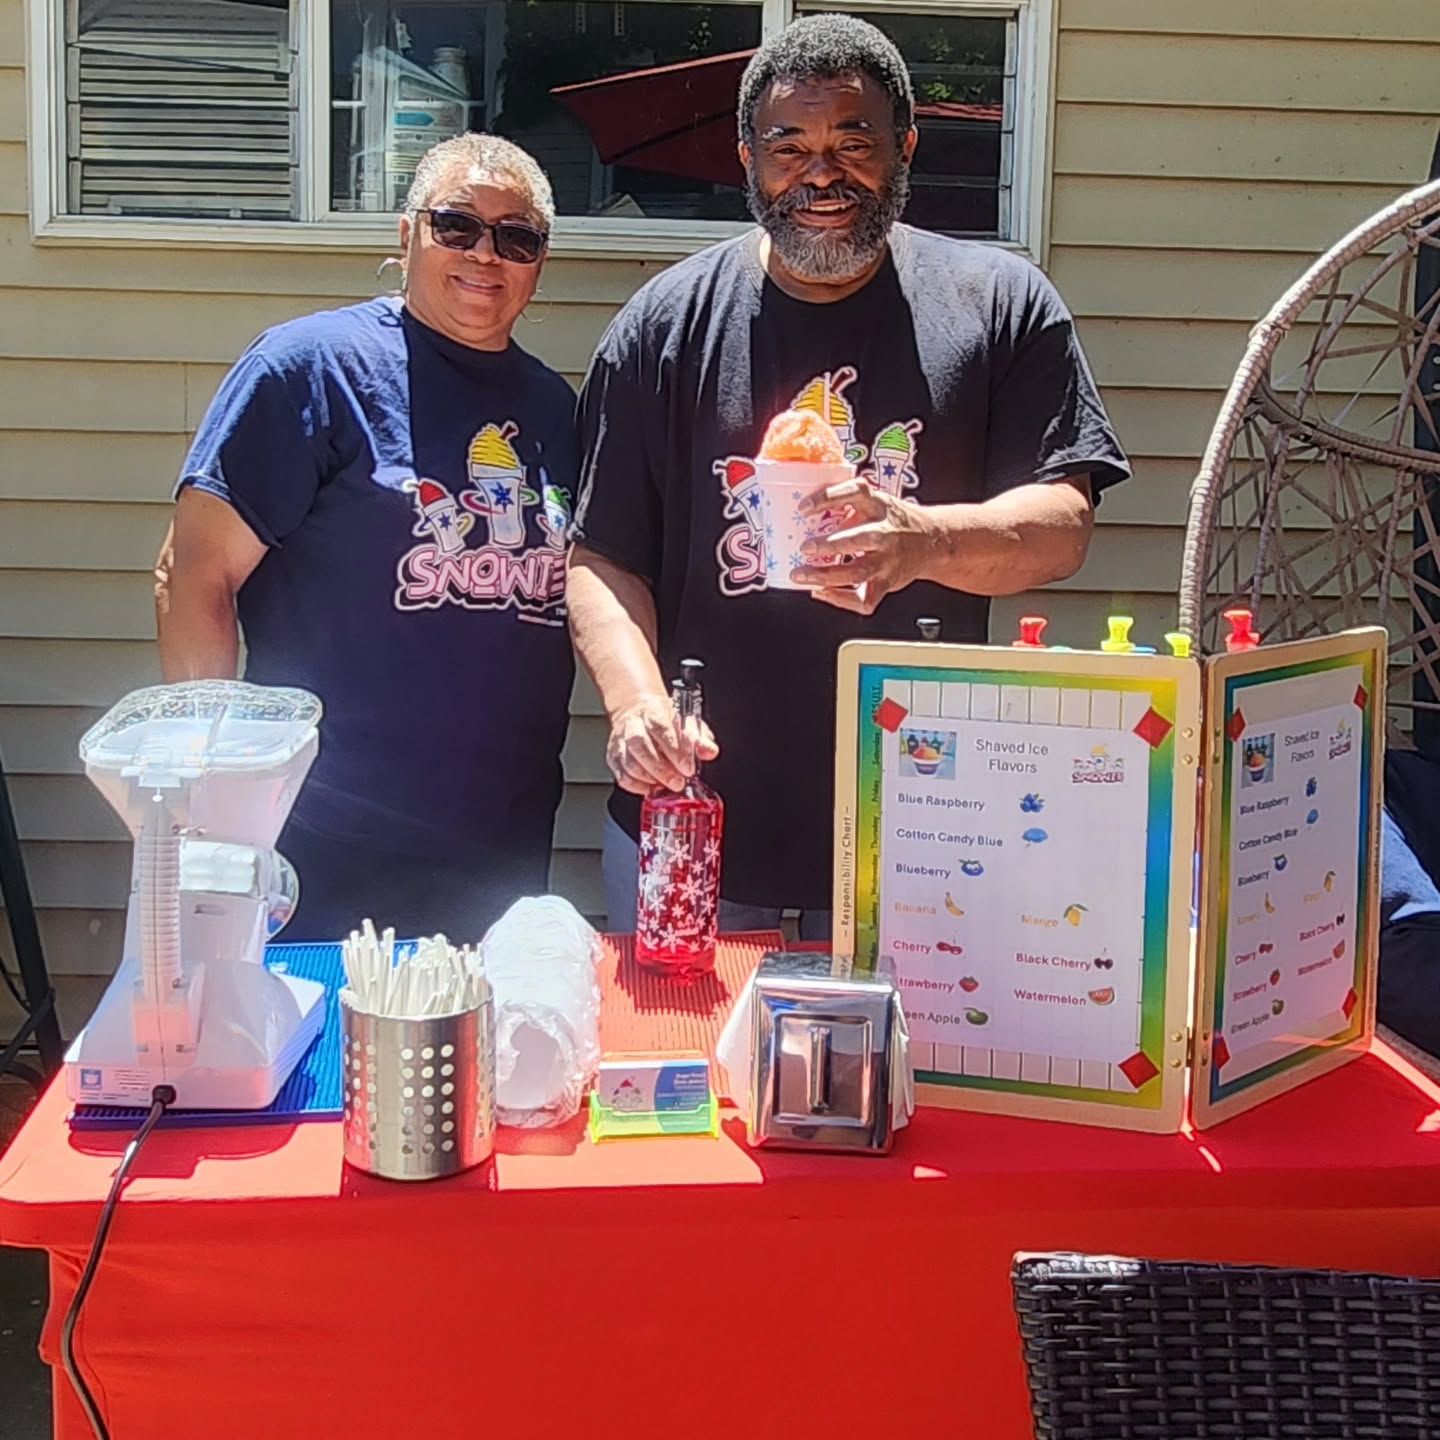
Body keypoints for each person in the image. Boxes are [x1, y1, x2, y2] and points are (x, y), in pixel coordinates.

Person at [568, 14, 1131, 937]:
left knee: (907, 1084)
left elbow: (1063, 523)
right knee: (691, 1077)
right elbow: (600, 555)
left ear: (905, 147)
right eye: (788, 146)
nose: (820, 173)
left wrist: (924, 540)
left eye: (853, 142)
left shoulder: (1000, 305)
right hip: (694, 820)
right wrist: (636, 706)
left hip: (930, 836)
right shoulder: (661, 325)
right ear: (747, 157)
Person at [155, 134, 576, 941]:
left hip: (500, 846)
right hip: (325, 842)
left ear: (539, 262)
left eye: (515, 237)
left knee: (473, 1063)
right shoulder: (312, 370)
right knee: (316, 1063)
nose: (485, 254)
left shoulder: (554, 410)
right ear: (406, 233)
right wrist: (214, 795)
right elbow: (191, 575)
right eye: (457, 225)